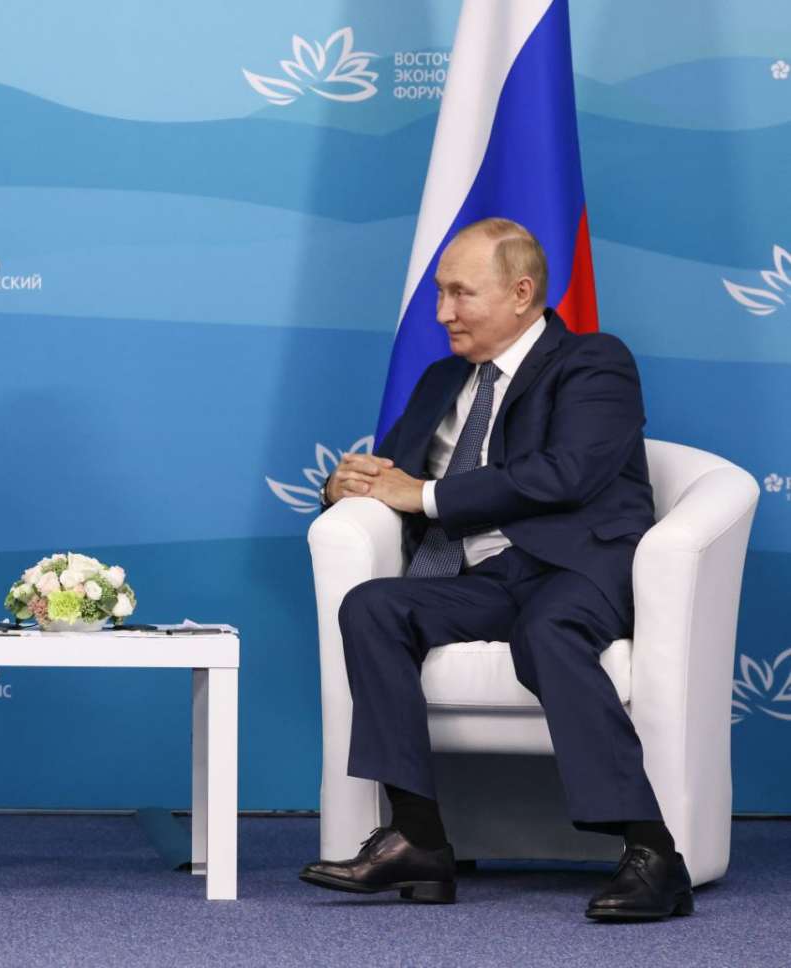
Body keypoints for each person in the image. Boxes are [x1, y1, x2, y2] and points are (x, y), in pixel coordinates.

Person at [299, 218, 692, 922]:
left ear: (521, 293)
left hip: (577, 567)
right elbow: (393, 479)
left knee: (547, 630)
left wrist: (424, 495)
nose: (442, 312)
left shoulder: (594, 362)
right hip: (483, 581)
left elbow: (566, 473)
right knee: (372, 607)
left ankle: (653, 852)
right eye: (439, 293)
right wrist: (343, 487)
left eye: (461, 293)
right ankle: (417, 838)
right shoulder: (440, 379)